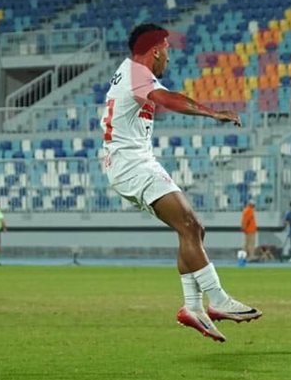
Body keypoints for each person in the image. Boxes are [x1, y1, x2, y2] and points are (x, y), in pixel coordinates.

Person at [100, 23, 261, 343]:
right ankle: (217, 299)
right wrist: (211, 113)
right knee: (189, 223)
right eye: (167, 52)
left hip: (132, 162)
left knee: (193, 230)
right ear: (156, 50)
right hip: (131, 164)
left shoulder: (128, 71)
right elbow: (167, 99)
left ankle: (192, 307)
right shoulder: (137, 73)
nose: (169, 60)